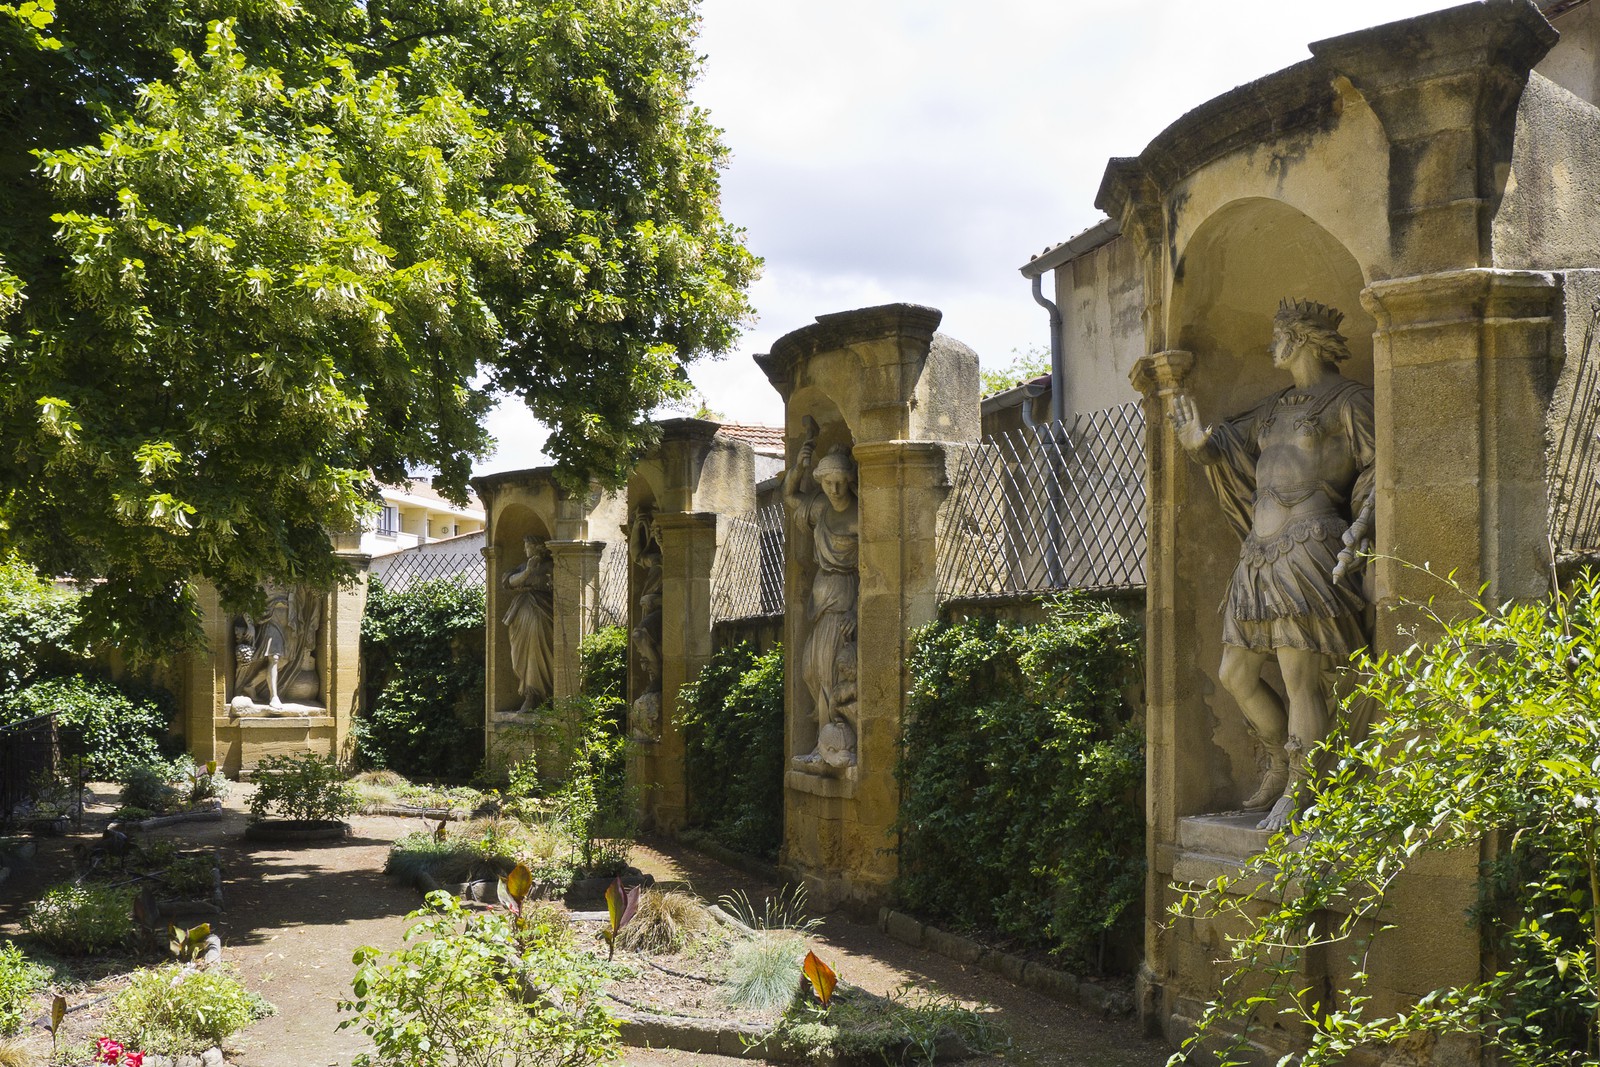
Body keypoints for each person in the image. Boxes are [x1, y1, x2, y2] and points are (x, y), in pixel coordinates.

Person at [1167, 298, 1375, 831]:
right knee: (1234, 673)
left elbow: (1378, 469)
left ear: (1303, 338)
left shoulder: (1349, 401)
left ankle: (1304, 790)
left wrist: (1361, 530)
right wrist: (1200, 446)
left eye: (1279, 333)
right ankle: (1280, 764)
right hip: (1257, 556)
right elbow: (1229, 452)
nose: (1270, 344)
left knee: (1299, 676)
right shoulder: (1273, 406)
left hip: (1310, 544)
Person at [784, 437, 860, 769]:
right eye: (828, 483)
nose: (835, 489)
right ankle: (824, 739)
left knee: (829, 673)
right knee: (809, 671)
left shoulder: (860, 515)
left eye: (841, 483)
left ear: (850, 481)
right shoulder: (820, 507)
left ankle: (829, 745)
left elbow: (872, 568)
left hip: (842, 596)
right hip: (821, 597)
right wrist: (798, 468)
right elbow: (790, 497)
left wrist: (857, 611)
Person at [502, 535, 554, 714]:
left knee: (538, 649)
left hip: (542, 612)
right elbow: (508, 582)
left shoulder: (551, 566)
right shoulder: (524, 567)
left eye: (527, 546)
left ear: (537, 548)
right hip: (521, 614)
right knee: (520, 654)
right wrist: (527, 572)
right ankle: (529, 692)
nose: (524, 550)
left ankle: (538, 694)